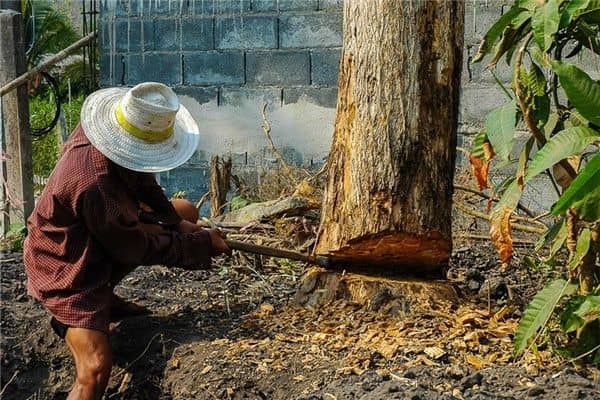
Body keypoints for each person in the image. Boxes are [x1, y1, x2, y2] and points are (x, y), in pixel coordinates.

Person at [23, 82, 229, 400]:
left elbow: (143, 179)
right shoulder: (94, 184)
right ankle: (75, 314)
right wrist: (201, 245)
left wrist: (178, 223)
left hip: (97, 233)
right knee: (94, 370)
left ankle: (103, 300)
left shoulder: (114, 136)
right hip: (65, 266)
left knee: (184, 209)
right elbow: (135, 247)